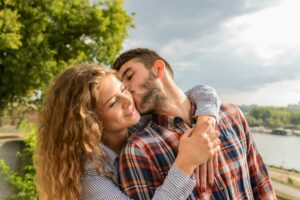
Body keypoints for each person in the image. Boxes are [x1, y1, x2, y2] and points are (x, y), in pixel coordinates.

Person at [35, 64, 222, 200]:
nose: (127, 101)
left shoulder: (142, 121)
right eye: (113, 103)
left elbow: (199, 92)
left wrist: (205, 122)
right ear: (90, 121)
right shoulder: (90, 177)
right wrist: (186, 164)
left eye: (123, 89)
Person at [112, 48, 277, 200]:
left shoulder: (232, 115)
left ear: (158, 69)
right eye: (121, 87)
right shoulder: (138, 150)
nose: (126, 88)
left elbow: (262, 185)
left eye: (129, 76)